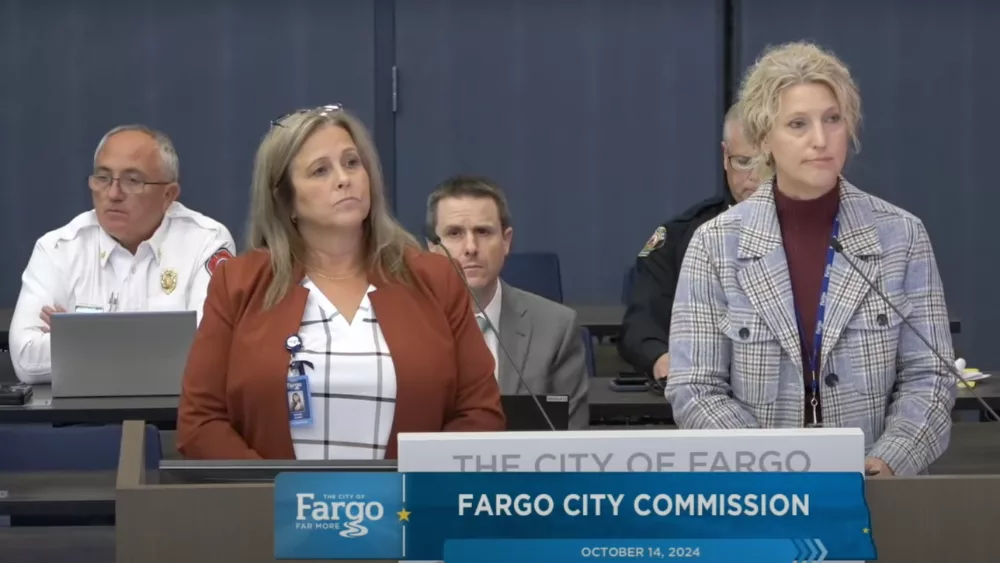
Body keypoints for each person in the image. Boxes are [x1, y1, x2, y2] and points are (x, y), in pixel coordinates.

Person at [666, 42, 956, 477]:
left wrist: (890, 460)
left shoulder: (901, 235)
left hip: (877, 494)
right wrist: (772, 469)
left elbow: (930, 377)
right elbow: (695, 389)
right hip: (760, 497)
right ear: (765, 138)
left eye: (832, 119)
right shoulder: (715, 244)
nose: (820, 140)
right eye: (798, 124)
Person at [177, 106, 505, 460]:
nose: (344, 179)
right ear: (286, 199)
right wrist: (275, 494)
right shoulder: (238, 284)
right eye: (320, 170)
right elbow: (201, 422)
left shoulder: (434, 278)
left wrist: (414, 490)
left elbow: (479, 413)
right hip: (273, 510)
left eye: (352, 163)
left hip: (408, 510)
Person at [9, 124, 235, 384]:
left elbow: (208, 351)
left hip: (175, 418)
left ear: (168, 195)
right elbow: (26, 359)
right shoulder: (58, 248)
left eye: (132, 181)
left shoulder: (206, 241)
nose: (113, 194)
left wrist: (78, 339)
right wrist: (158, 345)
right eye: (103, 178)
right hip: (83, 419)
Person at [426, 176, 589, 429]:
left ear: (506, 241)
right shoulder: (404, 326)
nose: (470, 247)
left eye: (483, 232)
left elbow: (571, 443)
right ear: (433, 249)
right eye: (455, 233)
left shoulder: (556, 328)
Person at [619, 103, 760, 381]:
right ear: (724, 156)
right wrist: (661, 358)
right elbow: (640, 325)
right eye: (743, 162)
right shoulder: (678, 236)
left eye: (767, 163)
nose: (755, 177)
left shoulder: (819, 235)